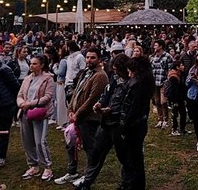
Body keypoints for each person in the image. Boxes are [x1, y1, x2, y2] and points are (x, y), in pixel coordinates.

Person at [74, 54, 130, 190]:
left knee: (124, 156)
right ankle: (87, 182)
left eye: (117, 69)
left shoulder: (131, 82)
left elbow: (127, 104)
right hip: (106, 123)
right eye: (114, 69)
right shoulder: (114, 79)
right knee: (96, 154)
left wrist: (110, 110)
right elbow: (106, 94)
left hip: (119, 125)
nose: (115, 72)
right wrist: (100, 104)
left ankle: (126, 183)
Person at [55, 48, 109, 185]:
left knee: (89, 147)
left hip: (89, 118)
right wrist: (71, 110)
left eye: (93, 58)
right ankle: (72, 172)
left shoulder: (100, 76)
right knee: (70, 144)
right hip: (76, 116)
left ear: (99, 60)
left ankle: (88, 176)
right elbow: (76, 92)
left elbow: (92, 98)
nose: (89, 60)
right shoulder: (86, 72)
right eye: (88, 57)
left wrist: (77, 114)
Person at [17, 54, 55, 181]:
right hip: (25, 113)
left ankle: (47, 167)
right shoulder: (27, 79)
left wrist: (31, 104)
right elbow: (20, 94)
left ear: (42, 65)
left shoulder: (48, 79)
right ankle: (33, 166)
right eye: (31, 63)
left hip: (39, 113)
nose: (31, 66)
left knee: (40, 142)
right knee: (27, 141)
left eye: (34, 64)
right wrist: (21, 103)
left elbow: (48, 96)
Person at [118, 56, 153, 189]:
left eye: (130, 70)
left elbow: (132, 108)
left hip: (134, 126)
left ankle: (134, 185)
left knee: (134, 160)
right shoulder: (145, 81)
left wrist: (124, 127)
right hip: (139, 124)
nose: (128, 73)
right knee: (136, 158)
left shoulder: (136, 84)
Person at [150, 39, 172, 129]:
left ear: (161, 46)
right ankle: (160, 119)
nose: (154, 47)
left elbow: (170, 70)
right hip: (155, 82)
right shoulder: (153, 57)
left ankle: (166, 120)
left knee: (163, 102)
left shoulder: (168, 56)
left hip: (163, 82)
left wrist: (167, 80)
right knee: (157, 101)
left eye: (156, 45)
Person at [166, 60, 189, 136]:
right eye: (181, 65)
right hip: (174, 97)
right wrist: (174, 100)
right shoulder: (173, 76)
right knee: (174, 114)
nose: (183, 66)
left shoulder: (181, 74)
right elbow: (173, 89)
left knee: (183, 113)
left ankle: (182, 128)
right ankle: (174, 129)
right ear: (177, 67)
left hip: (180, 97)